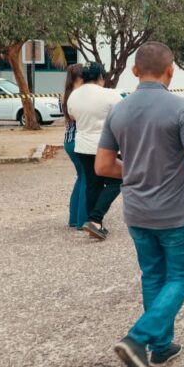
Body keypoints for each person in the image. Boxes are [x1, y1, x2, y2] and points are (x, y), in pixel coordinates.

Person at [95, 42, 184, 367]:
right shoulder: (182, 109)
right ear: (171, 70)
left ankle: (160, 347)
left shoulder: (119, 110)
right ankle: (137, 338)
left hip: (136, 211)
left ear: (133, 71)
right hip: (174, 213)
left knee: (152, 275)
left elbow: (102, 165)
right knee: (182, 277)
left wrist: (137, 169)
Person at [66, 62, 123, 240]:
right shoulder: (110, 94)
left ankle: (94, 224)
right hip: (105, 146)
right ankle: (95, 219)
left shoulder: (73, 96)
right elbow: (123, 115)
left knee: (92, 184)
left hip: (82, 146)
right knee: (118, 179)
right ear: (101, 77)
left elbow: (73, 116)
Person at [61, 64, 88, 230]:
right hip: (79, 141)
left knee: (81, 177)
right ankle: (82, 220)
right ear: (80, 77)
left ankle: (74, 218)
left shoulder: (64, 95)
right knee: (86, 178)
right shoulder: (78, 96)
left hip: (69, 140)